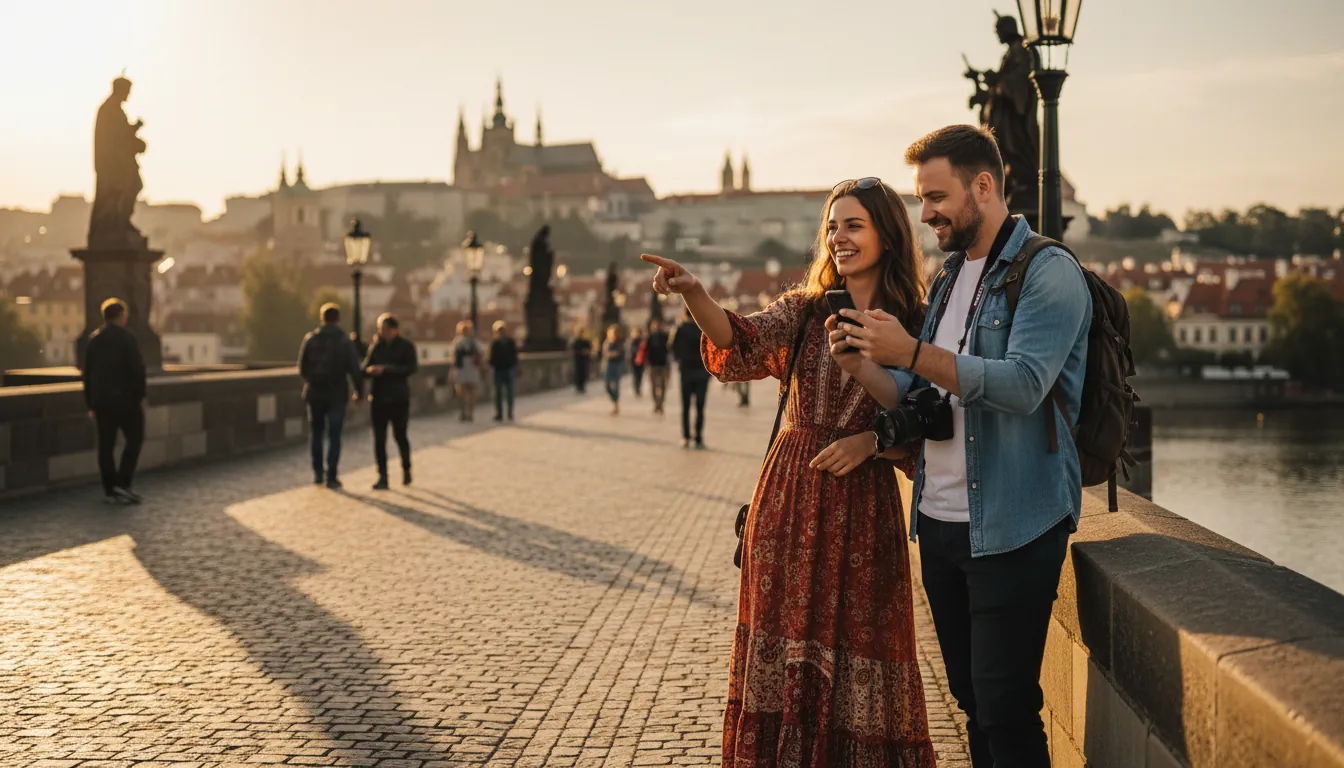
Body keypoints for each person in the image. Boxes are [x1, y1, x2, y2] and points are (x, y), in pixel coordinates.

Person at [642, 176, 936, 765]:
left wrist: (872, 444)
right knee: (783, 650)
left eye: (854, 225)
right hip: (789, 497)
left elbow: (929, 415)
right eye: (832, 226)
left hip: (863, 506)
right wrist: (694, 292)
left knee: (860, 648)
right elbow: (738, 340)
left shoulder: (916, 322)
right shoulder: (803, 311)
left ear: (888, 234)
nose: (839, 237)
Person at [834, 126, 1090, 767]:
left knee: (1005, 705)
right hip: (941, 522)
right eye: (921, 200)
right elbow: (923, 395)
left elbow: (1026, 385)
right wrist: (865, 364)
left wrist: (913, 350)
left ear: (983, 185)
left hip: (1013, 523)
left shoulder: (1048, 270)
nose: (926, 214)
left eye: (937, 197)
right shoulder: (950, 278)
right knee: (973, 700)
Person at [82, 297, 147, 504]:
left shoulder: (94, 339)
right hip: (126, 401)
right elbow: (138, 370)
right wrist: (139, 397)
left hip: (101, 402)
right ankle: (123, 483)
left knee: (106, 446)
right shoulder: (127, 338)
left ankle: (110, 489)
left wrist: (90, 403)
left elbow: (87, 375)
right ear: (121, 316)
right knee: (134, 440)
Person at [298, 303, 364, 489]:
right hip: (336, 394)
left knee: (316, 434)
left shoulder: (310, 339)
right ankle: (332, 475)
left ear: (322, 318)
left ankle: (318, 472)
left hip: (315, 394)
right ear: (338, 319)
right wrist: (359, 391)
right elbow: (354, 369)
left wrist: (312, 380)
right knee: (334, 435)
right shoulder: (344, 341)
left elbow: (302, 368)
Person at [363, 313, 418, 490]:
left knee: (400, 436)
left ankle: (406, 469)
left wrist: (386, 370)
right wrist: (369, 370)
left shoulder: (406, 346)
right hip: (378, 397)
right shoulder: (376, 347)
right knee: (379, 439)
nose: (382, 332)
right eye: (380, 329)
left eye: (385, 329)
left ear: (394, 330)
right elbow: (365, 367)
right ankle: (382, 476)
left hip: (398, 397)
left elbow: (411, 368)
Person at [668, 309, 709, 449]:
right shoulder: (704, 328)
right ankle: (698, 437)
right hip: (702, 372)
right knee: (700, 406)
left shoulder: (679, 329)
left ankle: (685, 436)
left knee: (685, 406)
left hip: (686, 371)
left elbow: (671, 347)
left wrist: (680, 359)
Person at [451, 320, 486, 421]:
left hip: (465, 367)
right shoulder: (470, 341)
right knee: (467, 391)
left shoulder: (461, 342)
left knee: (465, 391)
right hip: (467, 367)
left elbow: (453, 357)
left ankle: (466, 413)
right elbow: (482, 353)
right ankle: (467, 413)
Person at [489, 320, 519, 421]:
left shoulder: (510, 342)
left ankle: (510, 411)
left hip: (509, 369)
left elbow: (515, 355)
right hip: (499, 370)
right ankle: (499, 413)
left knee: (510, 392)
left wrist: (515, 366)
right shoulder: (495, 343)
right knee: (498, 393)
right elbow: (491, 357)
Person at [644, 318, 671, 414]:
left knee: (663, 386)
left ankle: (660, 403)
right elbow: (645, 351)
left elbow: (669, 348)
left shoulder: (665, 336)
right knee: (653, 386)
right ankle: (657, 403)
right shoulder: (650, 337)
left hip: (663, 364)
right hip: (653, 364)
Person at [601, 324, 625, 415]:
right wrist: (611, 354)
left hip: (617, 365)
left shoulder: (620, 342)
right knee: (607, 385)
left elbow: (621, 353)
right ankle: (614, 400)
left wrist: (613, 354)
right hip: (608, 365)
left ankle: (616, 404)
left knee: (616, 385)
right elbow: (604, 353)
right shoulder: (606, 342)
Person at [571, 327, 593, 393]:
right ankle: (578, 386)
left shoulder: (586, 341)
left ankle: (582, 386)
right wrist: (580, 352)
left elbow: (589, 349)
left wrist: (586, 352)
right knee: (578, 373)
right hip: (578, 359)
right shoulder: (576, 341)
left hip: (584, 359)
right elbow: (573, 350)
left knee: (584, 372)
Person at [628, 327, 646, 396]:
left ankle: (638, 387)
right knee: (635, 375)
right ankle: (636, 388)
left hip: (641, 360)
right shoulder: (631, 341)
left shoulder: (641, 341)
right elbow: (630, 350)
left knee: (640, 375)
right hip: (633, 360)